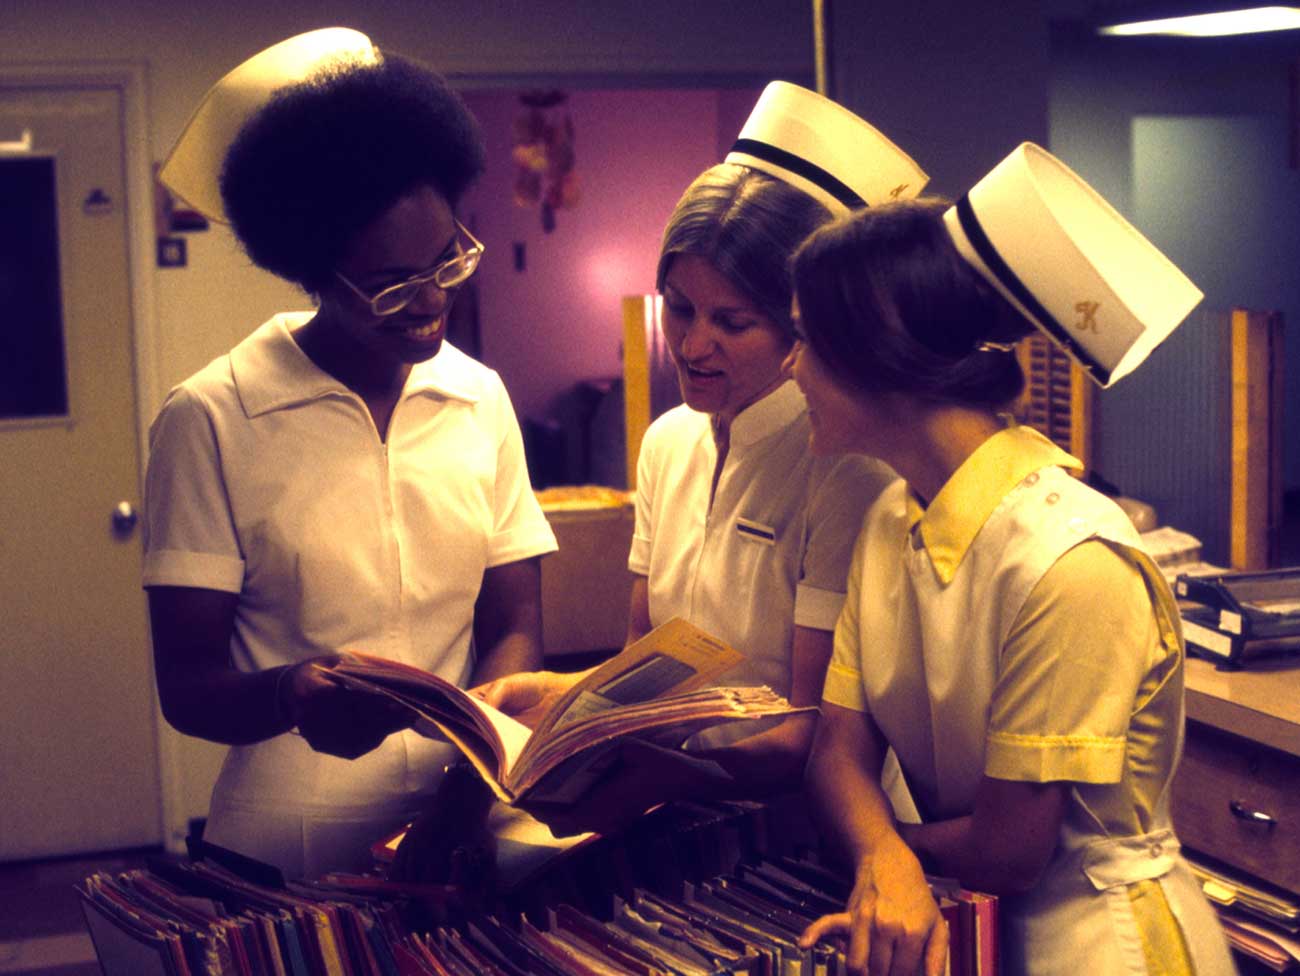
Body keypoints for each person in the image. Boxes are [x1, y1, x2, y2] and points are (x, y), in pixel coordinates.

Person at [786, 144, 1235, 975]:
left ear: (877, 357)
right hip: (963, 921)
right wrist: (885, 859)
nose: (792, 368)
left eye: (808, 342)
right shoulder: (892, 518)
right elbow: (836, 750)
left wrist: (885, 852)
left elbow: (1010, 849)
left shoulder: (1072, 559)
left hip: (1099, 943)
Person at [143, 28, 557, 880]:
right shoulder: (214, 417)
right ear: (311, 271)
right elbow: (187, 687)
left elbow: (515, 624)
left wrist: (479, 751)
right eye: (393, 282)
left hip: (459, 826)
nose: (433, 300)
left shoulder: (479, 398)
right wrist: (291, 691)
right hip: (284, 844)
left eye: (448, 258)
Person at [475, 83, 923, 836]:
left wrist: (659, 762)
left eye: (732, 322)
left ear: (796, 327)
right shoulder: (667, 443)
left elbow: (804, 734)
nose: (690, 346)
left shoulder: (844, 472)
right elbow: (641, 666)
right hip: (679, 809)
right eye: (678, 308)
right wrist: (554, 695)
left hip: (802, 824)